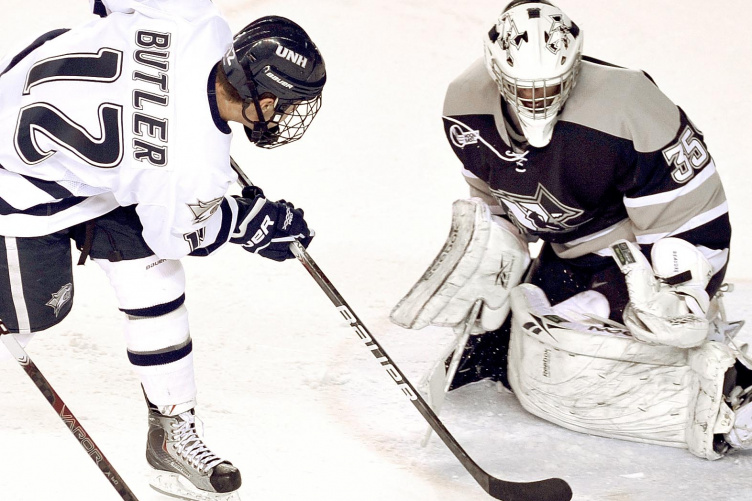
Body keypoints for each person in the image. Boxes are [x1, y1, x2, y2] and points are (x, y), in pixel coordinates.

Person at [390, 0, 752, 460]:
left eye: (552, 85)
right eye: (523, 87)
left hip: (642, 255)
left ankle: (728, 387)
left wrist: (684, 293)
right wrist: (492, 252)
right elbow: (495, 198)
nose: (537, 99)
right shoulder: (464, 105)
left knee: (598, 348)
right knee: (533, 328)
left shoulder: (631, 106)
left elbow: (696, 221)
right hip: (570, 253)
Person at [0, 0, 325, 498]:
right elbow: (176, 233)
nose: (288, 116)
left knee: (152, 273)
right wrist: (249, 221)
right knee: (31, 318)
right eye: (287, 103)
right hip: (17, 180)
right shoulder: (190, 165)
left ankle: (170, 437)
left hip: (50, 105)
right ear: (261, 97)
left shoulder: (199, 20)